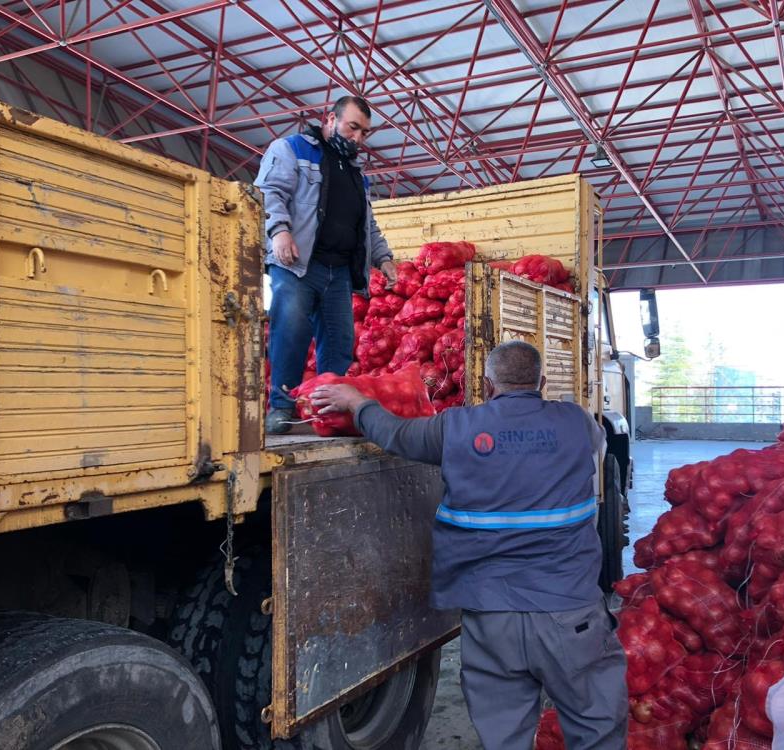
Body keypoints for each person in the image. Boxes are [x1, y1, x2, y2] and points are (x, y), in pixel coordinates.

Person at [310, 341, 628, 750]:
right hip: (571, 614)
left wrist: (356, 401)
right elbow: (598, 445)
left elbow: (394, 435)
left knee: (504, 736)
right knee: (597, 728)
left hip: (490, 617)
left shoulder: (454, 427)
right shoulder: (577, 422)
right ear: (542, 382)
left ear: (486, 383)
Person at [256, 95, 397, 435]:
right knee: (291, 330)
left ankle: (327, 412)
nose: (358, 139)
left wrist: (384, 258)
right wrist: (280, 231)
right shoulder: (291, 149)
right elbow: (269, 192)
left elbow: (367, 225)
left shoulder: (355, 174)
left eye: (364, 132)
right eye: (353, 128)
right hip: (297, 264)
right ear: (330, 120)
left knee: (339, 341)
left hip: (339, 272)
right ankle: (282, 407)